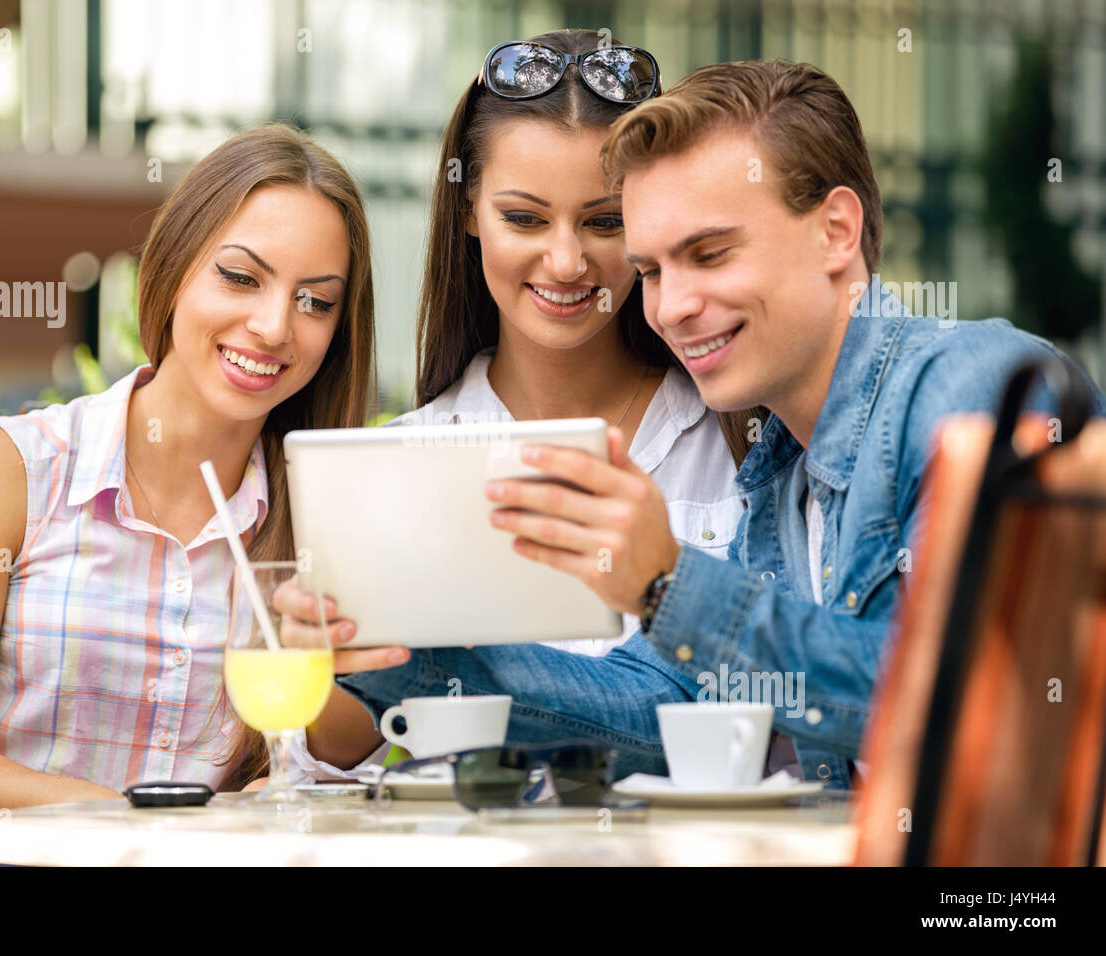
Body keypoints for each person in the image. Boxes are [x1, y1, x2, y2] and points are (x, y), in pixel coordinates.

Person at [333, 60, 1106, 787]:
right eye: (653, 271)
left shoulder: (974, 386)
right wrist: (393, 654)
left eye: (710, 254)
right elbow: (660, 707)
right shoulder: (778, 471)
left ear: (837, 230)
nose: (671, 307)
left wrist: (668, 582)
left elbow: (959, 697)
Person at [0, 124, 379, 864]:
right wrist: (137, 824)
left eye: (315, 301)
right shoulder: (10, 470)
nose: (276, 325)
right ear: (176, 266)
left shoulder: (324, 518)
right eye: (241, 278)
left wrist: (364, 695)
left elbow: (329, 760)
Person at [301, 31, 764, 776]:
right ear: (469, 212)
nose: (566, 261)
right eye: (524, 218)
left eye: (605, 221)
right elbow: (337, 754)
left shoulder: (744, 445)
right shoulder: (400, 462)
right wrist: (329, 657)